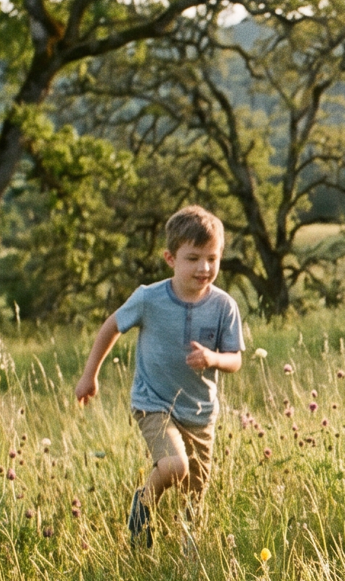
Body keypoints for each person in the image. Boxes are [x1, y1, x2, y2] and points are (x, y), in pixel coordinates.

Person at [74, 205, 244, 547]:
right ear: (170, 258)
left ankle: (188, 558)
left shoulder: (224, 306)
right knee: (173, 465)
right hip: (154, 403)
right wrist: (89, 375)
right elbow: (111, 327)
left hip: (200, 413)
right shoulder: (149, 299)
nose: (204, 268)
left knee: (195, 498)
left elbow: (235, 360)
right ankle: (143, 504)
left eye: (212, 258)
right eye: (193, 258)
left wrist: (213, 358)